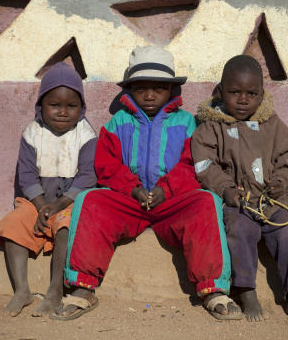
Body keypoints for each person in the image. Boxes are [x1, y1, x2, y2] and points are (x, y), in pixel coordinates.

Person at [50, 45, 243, 321]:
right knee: (89, 201)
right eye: (141, 88)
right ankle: (83, 288)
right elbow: (106, 165)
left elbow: (193, 163)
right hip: (131, 201)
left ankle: (213, 289)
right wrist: (132, 187)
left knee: (207, 202)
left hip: (172, 202)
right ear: (130, 89)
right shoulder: (118, 122)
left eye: (158, 88)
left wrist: (167, 188)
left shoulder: (188, 122)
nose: (149, 95)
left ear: (171, 90)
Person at [191, 55, 288, 324]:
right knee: (239, 230)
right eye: (235, 92)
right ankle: (247, 291)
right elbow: (204, 165)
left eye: (252, 93)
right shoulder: (211, 128)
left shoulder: (272, 124)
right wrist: (225, 189)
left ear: (262, 94)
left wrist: (282, 183)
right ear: (220, 91)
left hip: (276, 200)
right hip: (240, 202)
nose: (243, 100)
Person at [0, 62, 98, 317]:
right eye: (54, 105)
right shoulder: (32, 133)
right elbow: (27, 175)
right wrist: (41, 207)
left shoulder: (86, 135)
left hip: (69, 203)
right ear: (40, 106)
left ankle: (54, 290)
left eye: (71, 106)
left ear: (81, 108)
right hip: (37, 202)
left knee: (66, 226)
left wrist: (58, 206)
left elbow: (87, 176)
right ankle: (22, 290)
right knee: (14, 222)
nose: (63, 112)